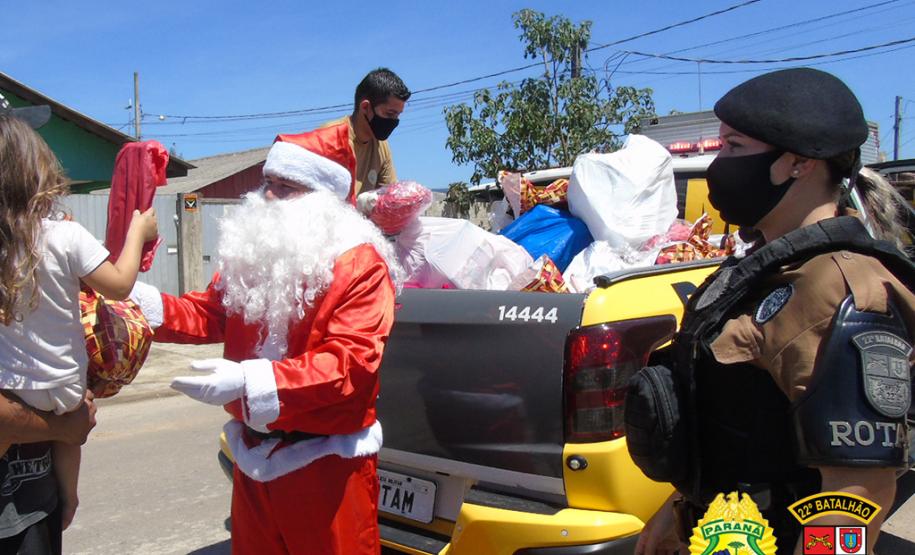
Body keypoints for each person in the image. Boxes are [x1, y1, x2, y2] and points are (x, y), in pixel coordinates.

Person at [631, 68, 915, 555]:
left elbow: (856, 491)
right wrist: (674, 512)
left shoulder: (840, 287)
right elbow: (734, 427)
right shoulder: (760, 274)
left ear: (798, 163)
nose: (719, 164)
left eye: (734, 148)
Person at [130, 140, 404, 554]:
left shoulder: (361, 267)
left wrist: (247, 380)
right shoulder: (255, 259)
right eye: (267, 182)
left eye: (285, 187)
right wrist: (140, 304)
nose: (267, 196)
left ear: (323, 202)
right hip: (254, 460)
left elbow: (349, 364)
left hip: (327, 467)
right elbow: (210, 313)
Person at [0, 100, 158, 549]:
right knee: (70, 431)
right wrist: (137, 232)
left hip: (10, 388)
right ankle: (68, 499)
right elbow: (120, 286)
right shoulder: (65, 235)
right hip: (65, 390)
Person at [277, 68, 411, 202]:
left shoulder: (381, 146)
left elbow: (388, 199)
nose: (394, 121)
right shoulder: (328, 140)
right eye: (389, 114)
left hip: (359, 222)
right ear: (365, 107)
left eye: (397, 115)